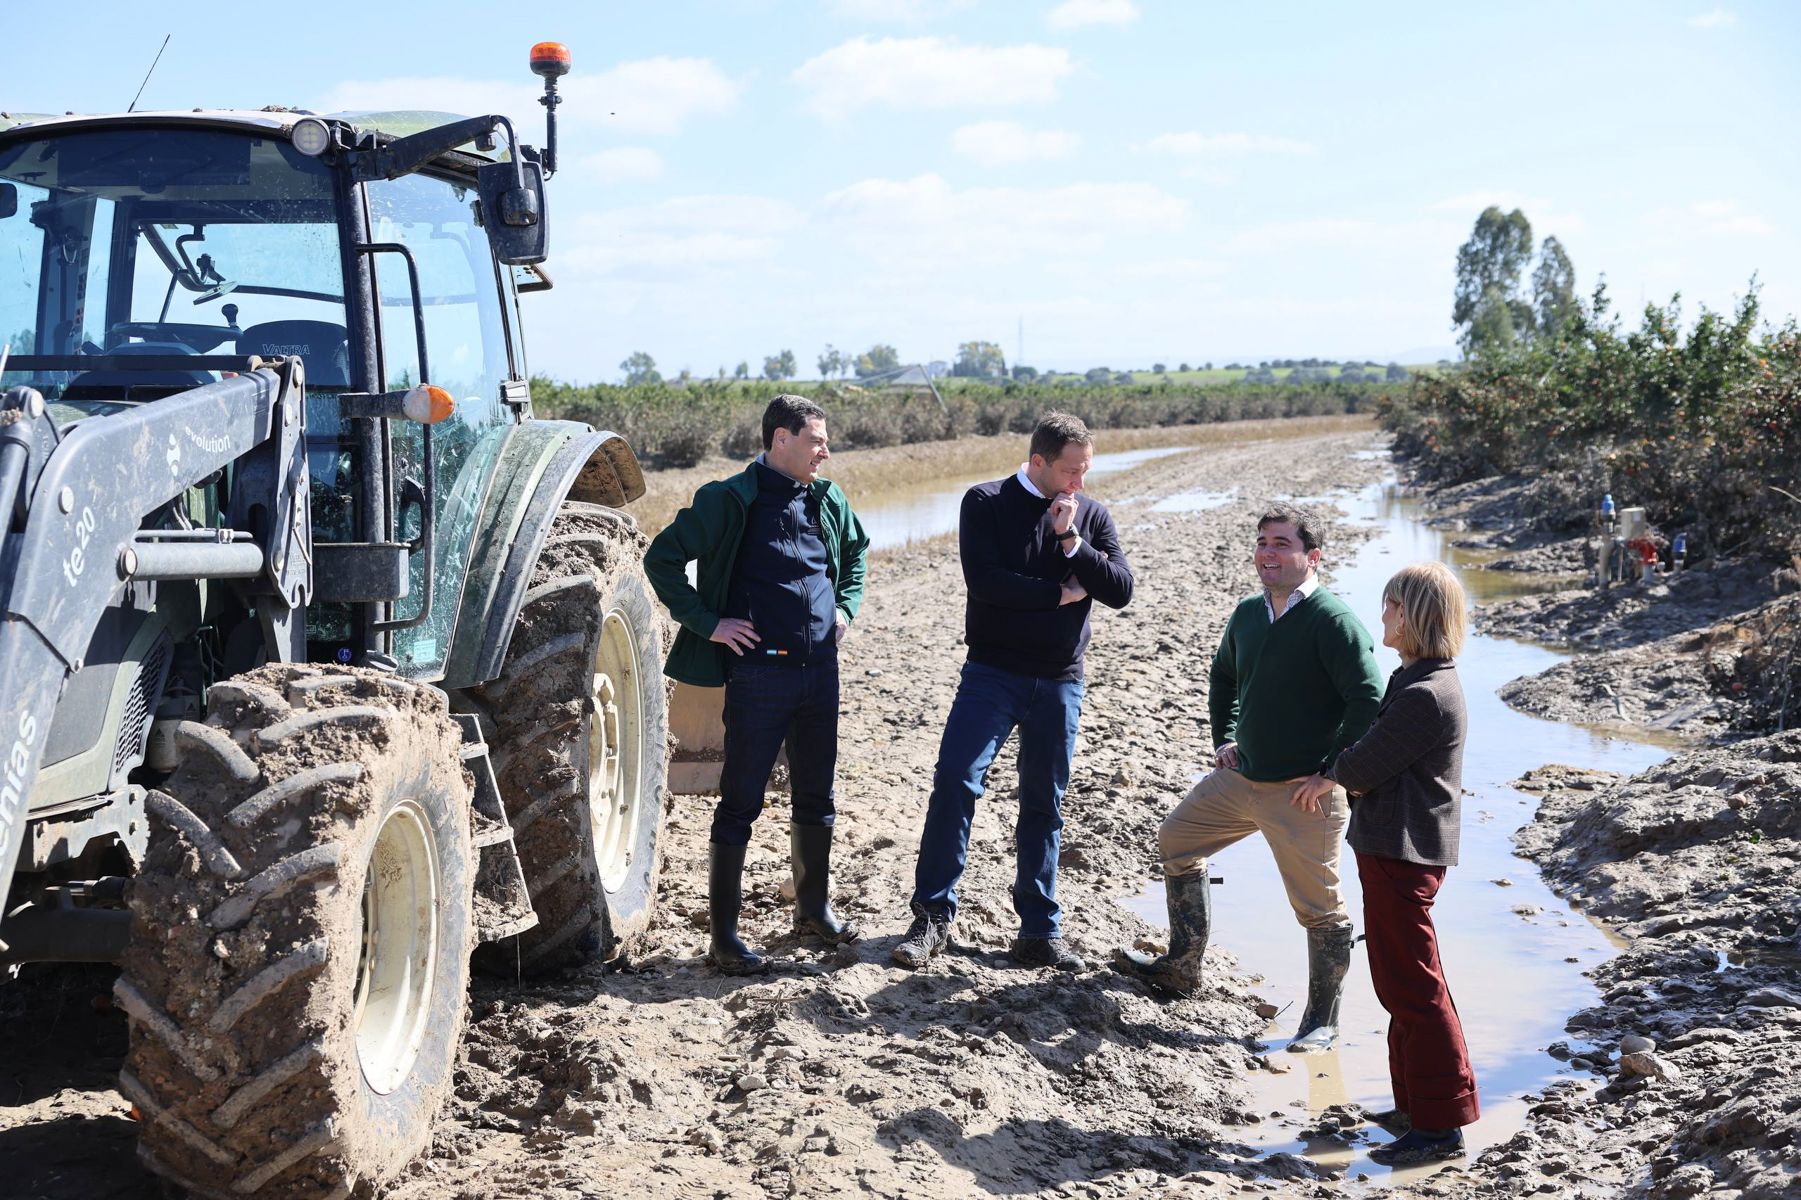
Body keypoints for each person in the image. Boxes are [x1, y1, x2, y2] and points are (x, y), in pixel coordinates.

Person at [1116, 503, 1382, 1053]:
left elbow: (1368, 701)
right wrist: (1224, 738)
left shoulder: (1334, 621)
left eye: (1281, 543)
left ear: (1313, 556)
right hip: (1240, 781)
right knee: (1176, 841)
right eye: (1262, 541)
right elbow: (1224, 676)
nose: (1267, 552)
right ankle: (1182, 966)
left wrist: (1332, 773)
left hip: (1303, 794)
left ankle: (1321, 1022)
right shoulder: (1247, 614)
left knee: (1320, 909)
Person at [891, 412, 1134, 973]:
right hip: (992, 673)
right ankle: (932, 916)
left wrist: (1071, 540)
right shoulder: (986, 501)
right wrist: (1058, 595)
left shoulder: (1090, 515)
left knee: (1044, 803)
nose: (1079, 482)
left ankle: (1037, 930)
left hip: (1060, 680)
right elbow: (987, 582)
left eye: (1085, 471)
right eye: (1070, 471)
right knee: (955, 779)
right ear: (1038, 462)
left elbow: (1118, 589)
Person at [644, 394, 870, 975]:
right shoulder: (728, 500)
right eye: (816, 440)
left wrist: (845, 608)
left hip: (820, 672)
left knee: (817, 796)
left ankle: (813, 910)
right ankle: (724, 938)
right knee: (740, 802)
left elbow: (857, 552)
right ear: (780, 440)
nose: (826, 451)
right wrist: (708, 623)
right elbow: (663, 558)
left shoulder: (827, 497)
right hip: (758, 675)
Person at [1290, 560, 1478, 1164]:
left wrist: (1333, 775)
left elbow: (1364, 765)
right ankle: (1417, 1108)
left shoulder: (1427, 693)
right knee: (1401, 983)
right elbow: (1366, 754)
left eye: (1392, 606)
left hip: (1404, 851)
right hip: (1397, 849)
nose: (1383, 618)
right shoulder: (1419, 680)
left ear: (1416, 615)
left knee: (1415, 987)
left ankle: (1440, 1127)